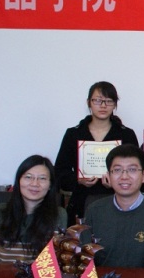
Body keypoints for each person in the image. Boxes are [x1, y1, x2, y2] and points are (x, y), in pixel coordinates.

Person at [55, 81, 138, 225]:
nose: (103, 105)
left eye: (109, 101)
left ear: (115, 104)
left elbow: (136, 171)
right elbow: (60, 173)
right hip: (82, 202)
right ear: (89, 102)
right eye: (98, 100)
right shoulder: (73, 134)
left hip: (118, 203)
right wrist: (78, 180)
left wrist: (117, 181)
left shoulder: (126, 134)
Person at [81, 144, 144, 268]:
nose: (124, 177)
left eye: (132, 170)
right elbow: (86, 259)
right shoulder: (94, 210)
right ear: (108, 176)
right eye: (117, 170)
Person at [0, 155, 67, 264]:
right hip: (1, 275)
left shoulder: (59, 215)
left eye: (42, 178)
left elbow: (55, 262)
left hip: (39, 275)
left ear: (50, 185)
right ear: (19, 181)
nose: (35, 184)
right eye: (28, 177)